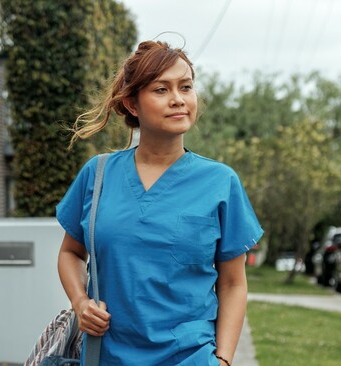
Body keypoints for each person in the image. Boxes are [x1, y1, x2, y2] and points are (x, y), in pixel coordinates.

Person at [55, 40, 263, 365]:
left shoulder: (221, 183)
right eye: (161, 90)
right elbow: (70, 253)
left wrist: (222, 360)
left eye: (186, 87)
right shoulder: (97, 175)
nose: (178, 99)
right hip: (107, 356)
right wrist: (81, 302)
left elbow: (233, 283)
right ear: (132, 104)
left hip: (191, 357)